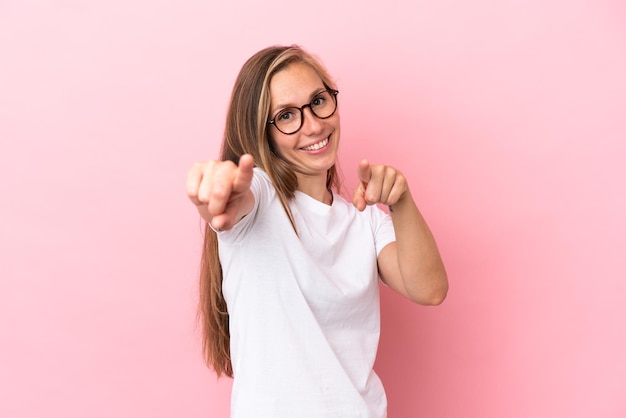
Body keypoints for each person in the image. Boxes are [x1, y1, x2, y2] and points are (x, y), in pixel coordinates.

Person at [186, 44, 448, 418]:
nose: (313, 125)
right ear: (263, 133)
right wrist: (219, 193)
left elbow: (430, 289)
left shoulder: (365, 220)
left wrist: (401, 200)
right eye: (287, 115)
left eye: (319, 101)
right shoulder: (260, 200)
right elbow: (234, 199)